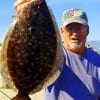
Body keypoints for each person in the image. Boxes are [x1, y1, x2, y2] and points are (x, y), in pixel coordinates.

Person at [14, 0, 100, 100]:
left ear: (87, 30)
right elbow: (28, 52)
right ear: (62, 31)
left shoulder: (97, 59)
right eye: (70, 28)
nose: (75, 32)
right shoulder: (54, 56)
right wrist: (22, 16)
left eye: (79, 28)